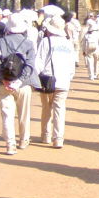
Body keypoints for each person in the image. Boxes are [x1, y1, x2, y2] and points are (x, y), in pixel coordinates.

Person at [0, 13, 38, 155]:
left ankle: (10, 144)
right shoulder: (28, 43)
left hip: (5, 83)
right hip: (23, 84)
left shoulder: (1, 42)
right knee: (24, 113)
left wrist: (3, 79)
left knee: (7, 114)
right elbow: (31, 64)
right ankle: (24, 140)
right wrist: (20, 80)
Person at [35, 15, 76, 147]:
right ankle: (58, 138)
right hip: (63, 80)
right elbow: (72, 65)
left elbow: (39, 63)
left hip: (47, 80)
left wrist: (35, 79)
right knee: (59, 109)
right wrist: (69, 77)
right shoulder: (68, 43)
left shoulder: (46, 42)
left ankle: (46, 135)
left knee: (46, 108)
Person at [81, 14, 99, 80]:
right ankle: (96, 73)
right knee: (96, 61)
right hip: (96, 49)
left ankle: (91, 75)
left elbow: (83, 43)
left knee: (90, 62)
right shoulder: (97, 33)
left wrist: (83, 50)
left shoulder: (86, 33)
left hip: (88, 48)